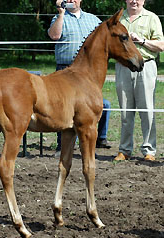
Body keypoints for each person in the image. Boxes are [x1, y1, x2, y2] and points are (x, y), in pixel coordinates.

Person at [48, 0, 111, 156]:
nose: (71, 0)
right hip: (65, 70)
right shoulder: (58, 18)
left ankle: (96, 141)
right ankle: (62, 147)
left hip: (87, 74)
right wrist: (61, 14)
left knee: (98, 105)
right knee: (63, 107)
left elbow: (106, 39)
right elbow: (54, 36)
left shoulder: (93, 20)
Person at [114, 0, 163, 161]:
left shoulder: (152, 18)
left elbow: (161, 45)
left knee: (147, 110)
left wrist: (142, 41)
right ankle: (125, 150)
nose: (134, 1)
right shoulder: (119, 19)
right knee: (125, 111)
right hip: (123, 67)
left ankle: (149, 150)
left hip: (145, 67)